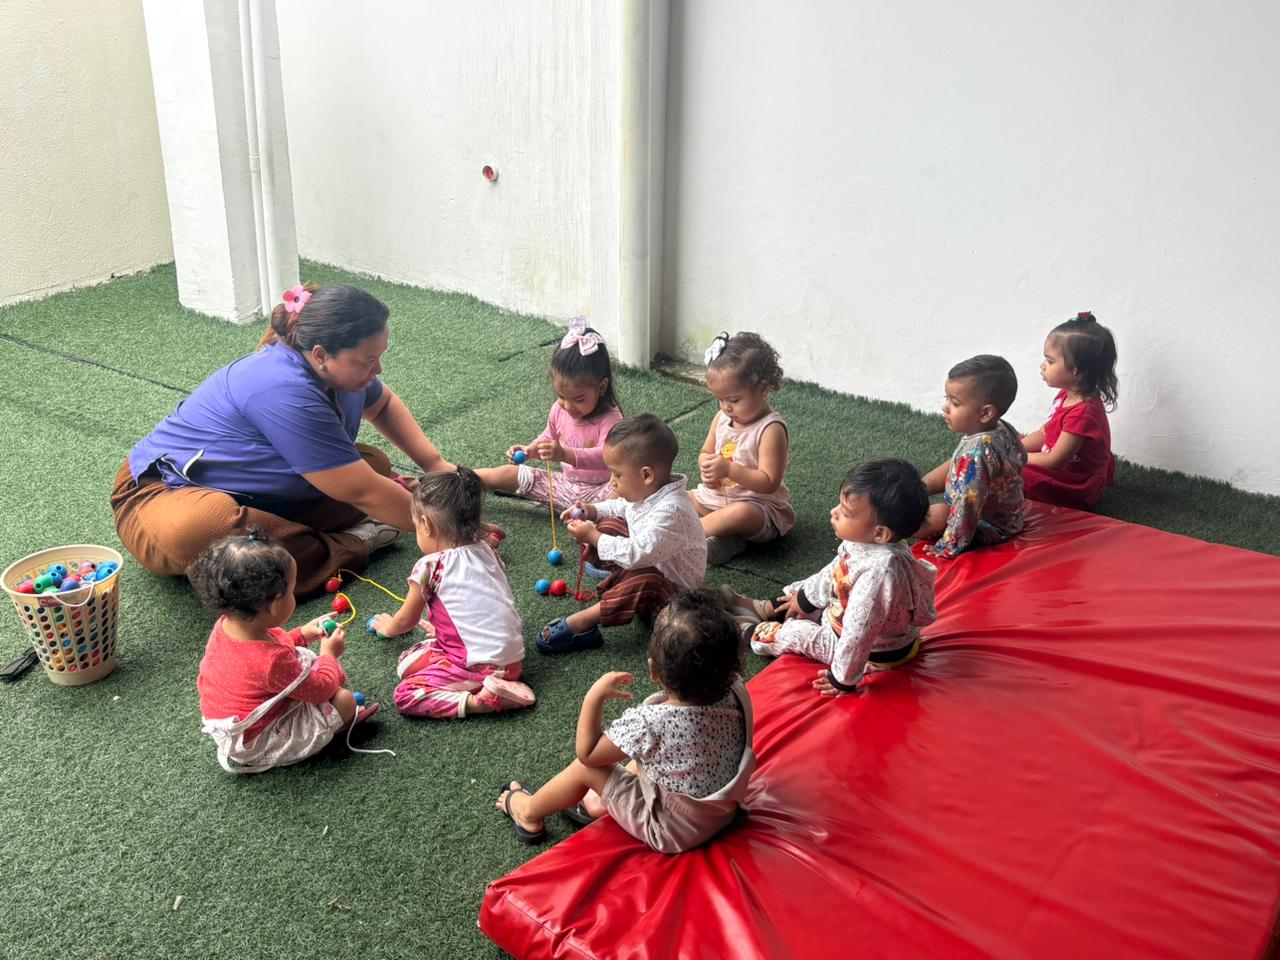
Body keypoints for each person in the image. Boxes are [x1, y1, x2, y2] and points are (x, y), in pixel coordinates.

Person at [112, 283, 463, 597]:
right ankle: (352, 544)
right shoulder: (281, 387)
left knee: (374, 465)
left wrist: (435, 465)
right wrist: (457, 539)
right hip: (161, 495)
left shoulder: (335, 369)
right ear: (322, 354)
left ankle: (303, 533)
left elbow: (382, 405)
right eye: (369, 361)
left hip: (259, 493)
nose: (378, 370)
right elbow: (363, 491)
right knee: (201, 528)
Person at [496, 589, 755, 853]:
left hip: (673, 830)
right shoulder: (735, 688)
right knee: (645, 753)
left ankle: (527, 812)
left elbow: (588, 754)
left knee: (584, 769)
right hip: (723, 807)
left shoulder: (650, 724)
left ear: (654, 670)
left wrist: (593, 697)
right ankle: (599, 801)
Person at [726, 459, 937, 696]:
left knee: (798, 634)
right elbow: (834, 571)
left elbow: (858, 634)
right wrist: (804, 600)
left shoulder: (878, 575)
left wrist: (842, 679)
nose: (833, 512)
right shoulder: (867, 541)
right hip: (843, 615)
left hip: (872, 652)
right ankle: (767, 607)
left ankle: (749, 631)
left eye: (845, 512)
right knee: (804, 588)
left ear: (880, 533)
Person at [193, 531, 379, 774]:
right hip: (260, 740)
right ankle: (332, 736)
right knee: (343, 700)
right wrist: (329, 655)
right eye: (291, 591)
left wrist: (302, 634)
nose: (294, 596)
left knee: (307, 663)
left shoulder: (228, 624)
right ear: (274, 605)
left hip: (240, 724)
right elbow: (321, 689)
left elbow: (270, 649)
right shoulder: (271, 662)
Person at [369, 468, 534, 719]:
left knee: (405, 693)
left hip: (479, 666)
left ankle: (481, 700)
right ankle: (492, 680)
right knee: (407, 662)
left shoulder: (430, 565)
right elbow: (478, 601)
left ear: (426, 525)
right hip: (512, 661)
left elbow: (405, 622)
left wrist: (388, 627)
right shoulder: (486, 550)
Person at [537, 414, 706, 653]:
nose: (612, 482)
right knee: (610, 524)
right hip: (648, 566)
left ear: (646, 475)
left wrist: (593, 537)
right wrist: (592, 510)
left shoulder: (672, 510)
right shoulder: (650, 490)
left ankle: (584, 621)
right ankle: (617, 580)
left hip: (675, 601)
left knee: (644, 577)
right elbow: (622, 507)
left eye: (617, 474)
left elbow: (637, 555)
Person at [476, 318, 623, 512]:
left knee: (623, 492)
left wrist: (564, 454)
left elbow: (606, 456)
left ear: (602, 387)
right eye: (561, 396)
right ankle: (461, 480)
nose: (568, 406)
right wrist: (530, 450)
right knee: (509, 473)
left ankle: (596, 521)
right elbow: (549, 436)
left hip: (601, 493)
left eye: (579, 399)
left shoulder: (611, 419)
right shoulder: (559, 410)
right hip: (563, 486)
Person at [690, 332, 794, 566]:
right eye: (720, 400)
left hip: (757, 509)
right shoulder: (721, 418)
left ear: (764, 388)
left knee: (739, 513)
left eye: (734, 400)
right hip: (715, 499)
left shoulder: (770, 429)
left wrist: (728, 470)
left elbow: (768, 482)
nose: (726, 407)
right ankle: (726, 541)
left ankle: (685, 536)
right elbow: (705, 453)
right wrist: (707, 467)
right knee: (677, 496)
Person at [915, 355, 1027, 558]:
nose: (945, 407)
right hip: (1012, 519)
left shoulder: (976, 450)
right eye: (946, 398)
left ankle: (886, 525)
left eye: (955, 403)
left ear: (985, 413)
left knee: (935, 515)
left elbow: (967, 503)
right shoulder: (1003, 427)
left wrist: (948, 546)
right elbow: (1022, 456)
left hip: (988, 526)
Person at [1021, 312, 1119, 509]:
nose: (1042, 366)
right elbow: (1045, 433)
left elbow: (1054, 460)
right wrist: (1016, 447)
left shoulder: (1082, 413)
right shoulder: (1066, 394)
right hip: (1058, 461)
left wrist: (1015, 458)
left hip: (1076, 484)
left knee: (1013, 474)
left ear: (1076, 370)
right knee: (1012, 443)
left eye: (1050, 361)